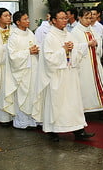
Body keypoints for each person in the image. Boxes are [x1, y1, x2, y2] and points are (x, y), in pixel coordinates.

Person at [34, 10, 94, 142]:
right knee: (57, 104)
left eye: (65, 18)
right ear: (54, 20)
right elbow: (48, 59)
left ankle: (78, 130)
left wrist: (73, 50)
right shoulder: (49, 37)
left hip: (70, 73)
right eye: (61, 18)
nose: (64, 21)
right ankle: (53, 131)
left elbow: (78, 52)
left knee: (73, 103)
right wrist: (64, 50)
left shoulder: (69, 35)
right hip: (57, 75)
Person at [71, 8, 103, 114]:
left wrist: (96, 44)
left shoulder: (92, 29)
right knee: (86, 86)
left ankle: (102, 108)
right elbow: (74, 48)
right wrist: (87, 45)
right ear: (79, 18)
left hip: (95, 62)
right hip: (84, 64)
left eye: (90, 18)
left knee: (99, 83)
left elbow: (98, 42)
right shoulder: (75, 32)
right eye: (86, 18)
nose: (88, 20)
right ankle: (85, 109)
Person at [7, 11, 39, 129]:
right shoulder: (14, 36)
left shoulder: (30, 33)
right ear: (18, 22)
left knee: (33, 94)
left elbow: (35, 46)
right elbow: (12, 56)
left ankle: (33, 120)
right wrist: (28, 52)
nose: (28, 21)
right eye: (25, 19)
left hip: (33, 69)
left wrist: (37, 50)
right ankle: (23, 122)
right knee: (23, 96)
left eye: (28, 18)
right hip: (21, 72)